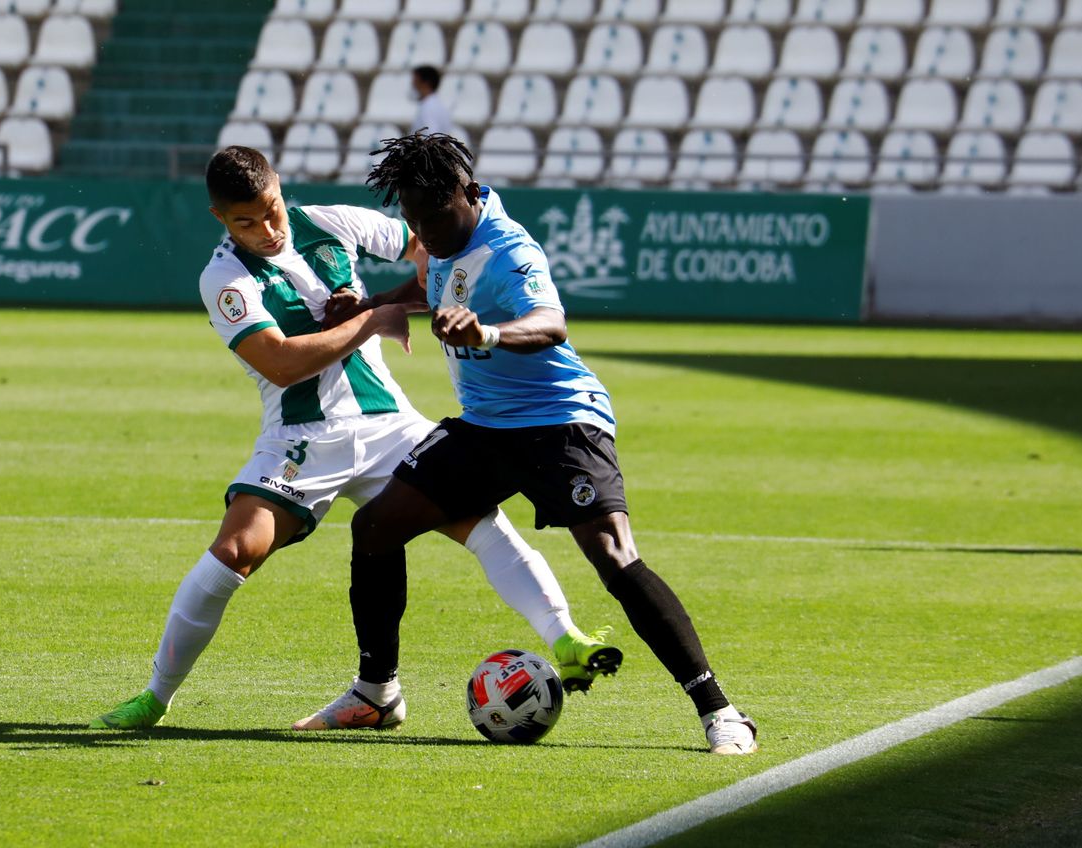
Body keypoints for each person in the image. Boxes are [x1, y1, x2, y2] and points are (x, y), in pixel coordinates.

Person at [91, 146, 621, 732]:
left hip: (389, 423)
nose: (266, 230)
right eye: (246, 222)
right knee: (233, 554)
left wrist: (388, 297)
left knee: (481, 521)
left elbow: (431, 255)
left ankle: (566, 640)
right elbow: (281, 363)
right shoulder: (224, 277)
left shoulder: (329, 221)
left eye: (272, 211)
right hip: (300, 439)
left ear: (279, 189)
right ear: (221, 218)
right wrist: (369, 318)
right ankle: (156, 697)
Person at [304, 133, 758, 755]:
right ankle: (375, 692)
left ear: (469, 193)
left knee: (613, 556)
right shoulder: (444, 236)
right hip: (487, 427)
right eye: (411, 219)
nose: (424, 233)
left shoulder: (509, 248)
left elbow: (551, 323)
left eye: (434, 217)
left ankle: (720, 711)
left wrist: (487, 332)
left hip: (561, 421)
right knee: (376, 527)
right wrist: (374, 303)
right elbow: (437, 287)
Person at [411, 65, 454, 139]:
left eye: (416, 80)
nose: (413, 84)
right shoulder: (436, 104)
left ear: (426, 83)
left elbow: (430, 136)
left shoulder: (428, 107)